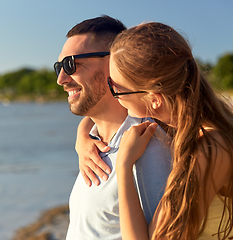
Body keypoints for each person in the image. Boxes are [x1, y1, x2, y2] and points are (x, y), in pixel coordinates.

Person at [105, 22, 233, 239]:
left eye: (115, 88)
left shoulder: (211, 149)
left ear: (155, 100)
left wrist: (123, 166)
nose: (112, 93)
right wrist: (83, 136)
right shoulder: (219, 122)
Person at [54, 16, 172, 239]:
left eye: (71, 64)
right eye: (59, 66)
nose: (61, 78)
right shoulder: (93, 143)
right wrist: (82, 133)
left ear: (114, 63)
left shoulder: (148, 147)